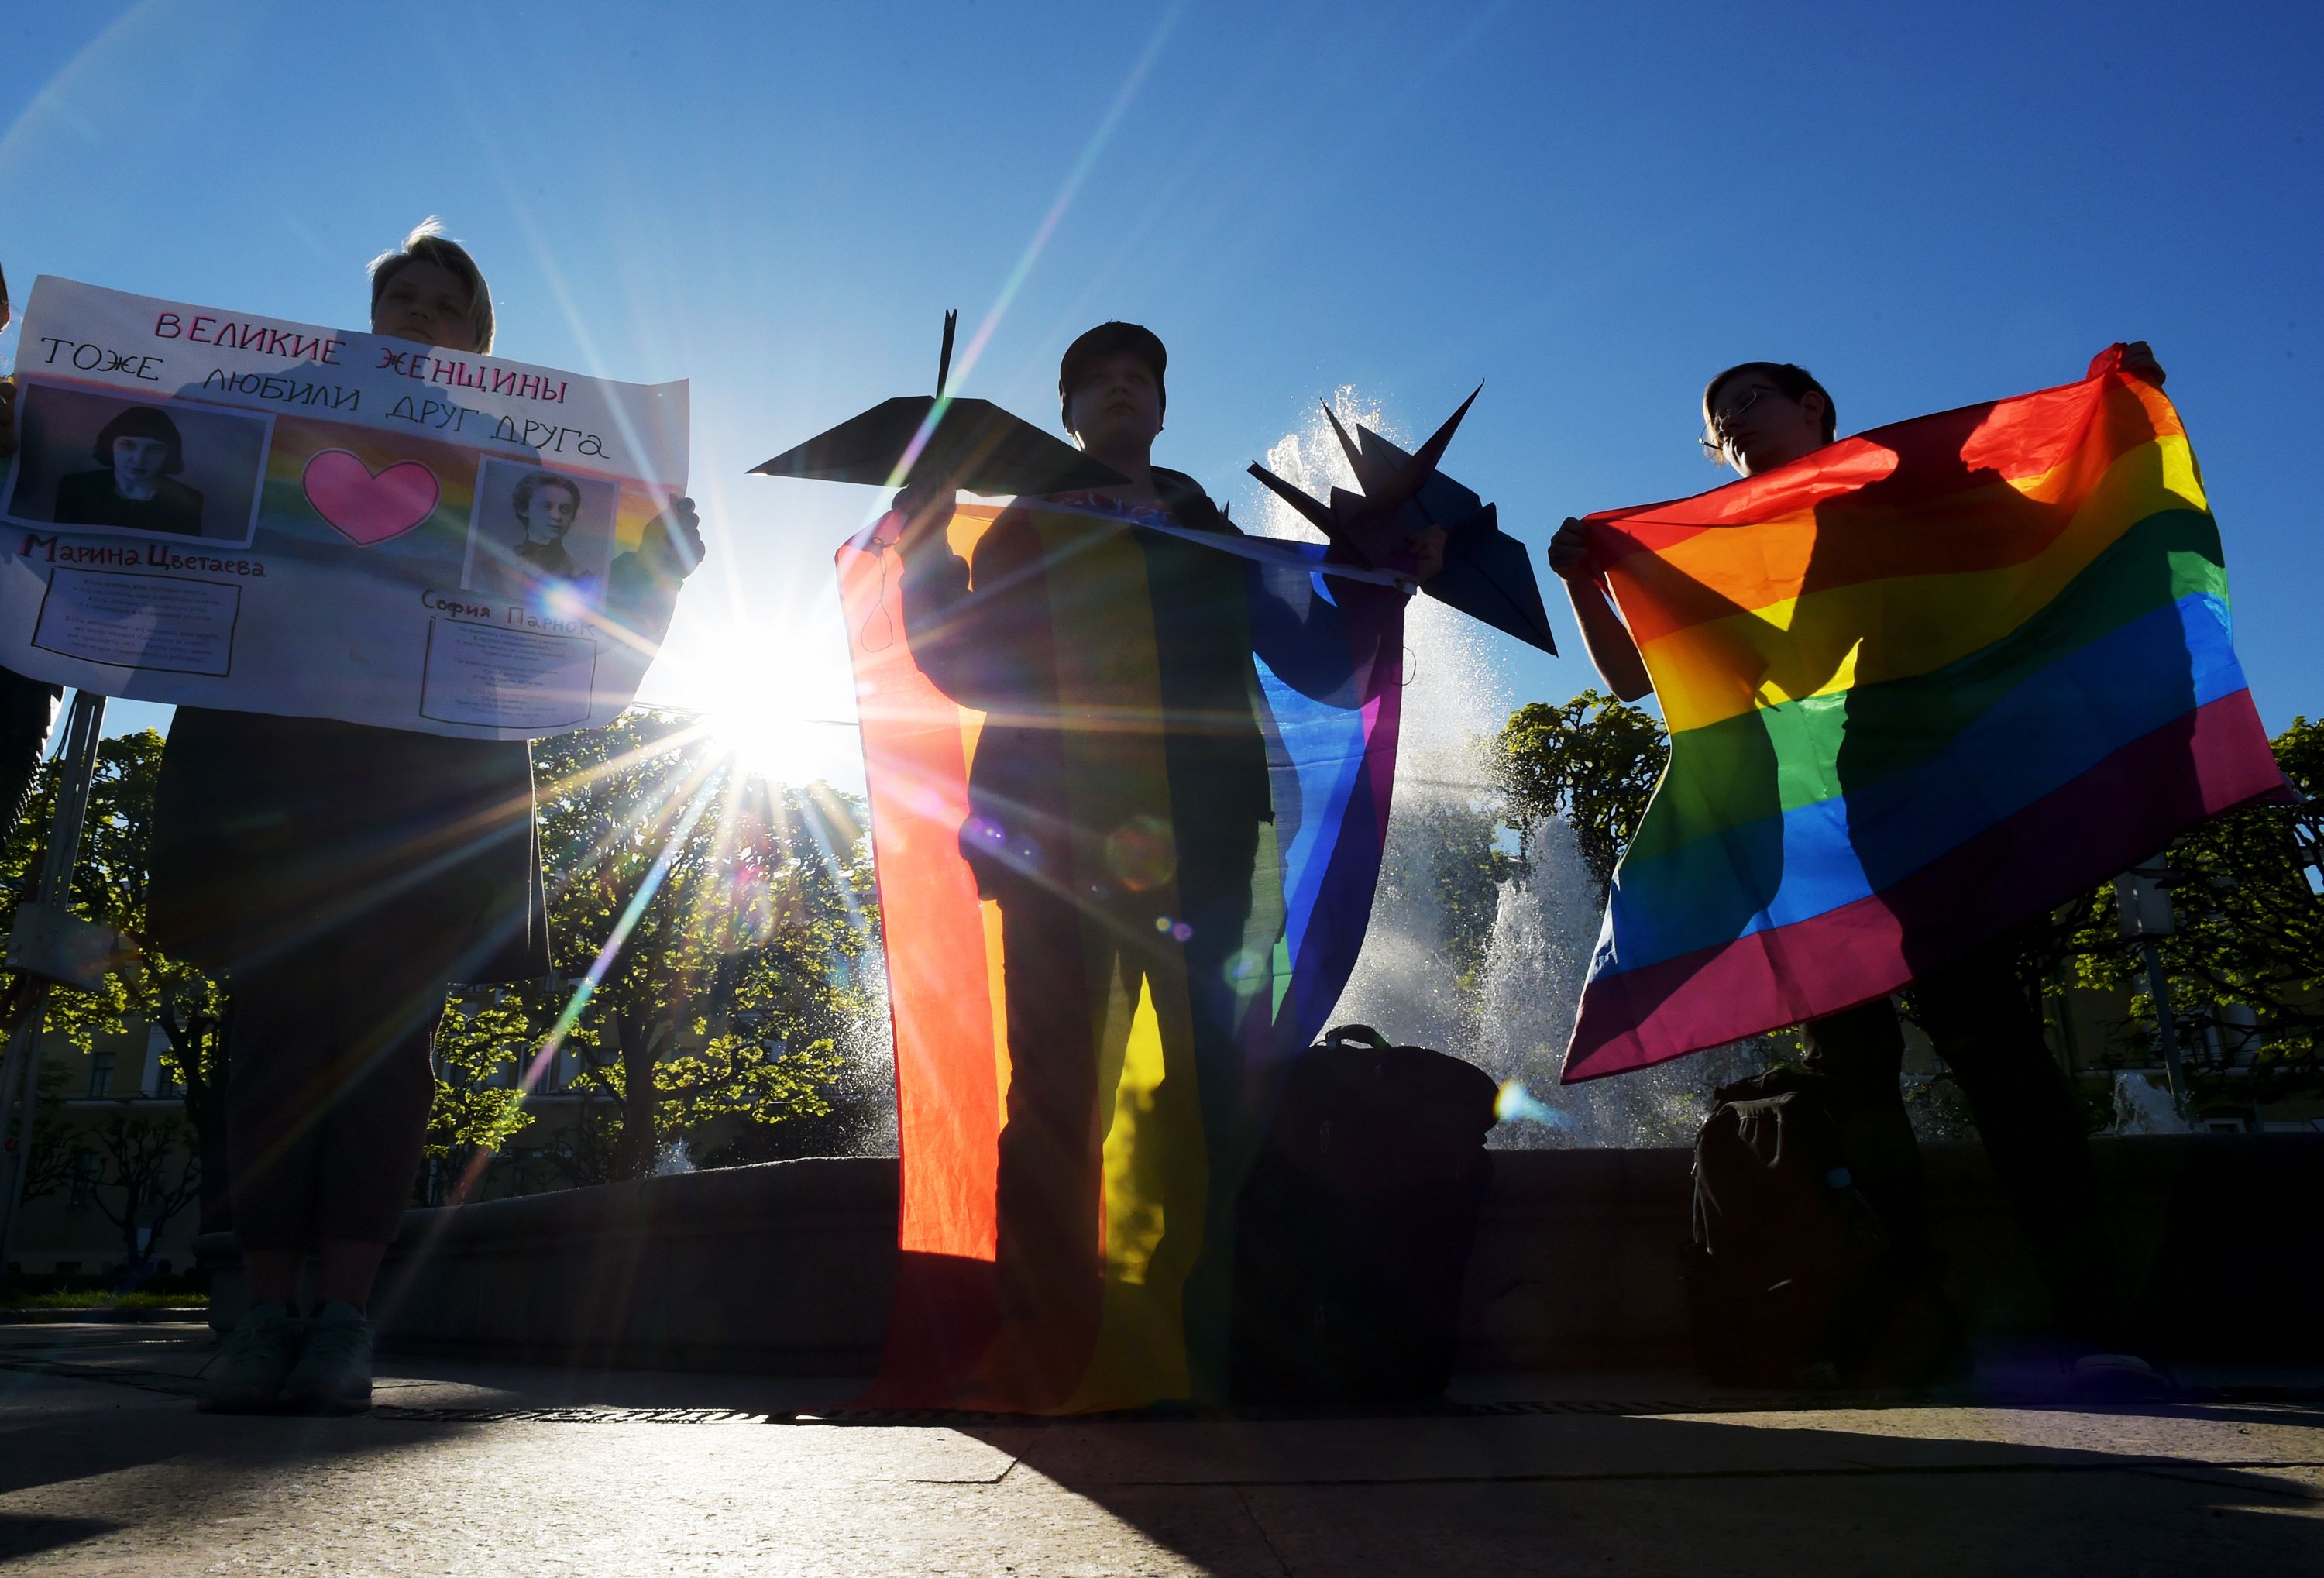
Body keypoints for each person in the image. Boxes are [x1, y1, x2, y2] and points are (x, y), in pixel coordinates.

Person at [151, 219, 704, 1415]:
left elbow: (574, 641)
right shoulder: (280, 422)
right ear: (368, 319)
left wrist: (655, 565)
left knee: (389, 1050)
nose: (416, 313)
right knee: (280, 1041)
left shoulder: (516, 465)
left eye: (442, 304)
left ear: (479, 340)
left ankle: (344, 1318)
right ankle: (265, 1319)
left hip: (427, 793)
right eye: (399, 295)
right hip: (276, 780)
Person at [1548, 351, 2165, 1391]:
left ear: (1812, 406)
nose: (1733, 422)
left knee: (1994, 1049)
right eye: (1716, 417)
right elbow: (1631, 679)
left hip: (1952, 803)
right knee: (1857, 1075)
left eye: (1751, 398)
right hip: (1844, 821)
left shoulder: (1906, 482)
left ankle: (2095, 1315)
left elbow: (2049, 530)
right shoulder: (1739, 545)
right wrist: (1585, 581)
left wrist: (2122, 411)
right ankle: (1903, 1323)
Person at [890, 322, 1442, 1405]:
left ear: (1162, 406)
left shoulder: (1207, 527)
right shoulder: (1023, 524)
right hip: (1051, 835)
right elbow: (965, 660)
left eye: (1138, 375)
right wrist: (921, 542)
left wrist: (1385, 578)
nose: (1119, 388)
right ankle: (1050, 1349)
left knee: (1216, 1092)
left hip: (1208, 836)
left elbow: (1312, 648)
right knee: (1054, 1091)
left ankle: (1209, 1348)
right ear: (1069, 414)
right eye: (1095, 380)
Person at [53, 406, 206, 536]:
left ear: (169, 454)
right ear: (110, 445)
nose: (139, 460)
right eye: (128, 445)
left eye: (154, 450)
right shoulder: (75, 487)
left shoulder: (189, 501)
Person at [503, 471, 585, 585]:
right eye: (546, 507)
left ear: (572, 516)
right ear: (524, 509)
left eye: (565, 510)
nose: (557, 516)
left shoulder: (581, 575)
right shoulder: (497, 562)